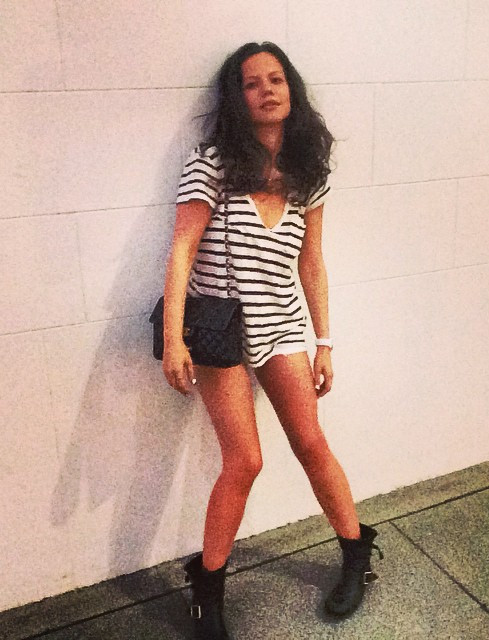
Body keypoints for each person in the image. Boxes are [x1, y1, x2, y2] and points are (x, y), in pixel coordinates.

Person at [161, 42, 382, 639]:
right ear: (237, 98)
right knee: (246, 461)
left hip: (282, 323)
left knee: (311, 442)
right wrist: (175, 338)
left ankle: (357, 554)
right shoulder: (211, 162)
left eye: (276, 79)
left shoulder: (308, 172)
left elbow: (311, 262)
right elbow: (182, 248)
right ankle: (207, 593)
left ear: (292, 89)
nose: (267, 90)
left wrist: (324, 342)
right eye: (252, 82)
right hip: (219, 332)